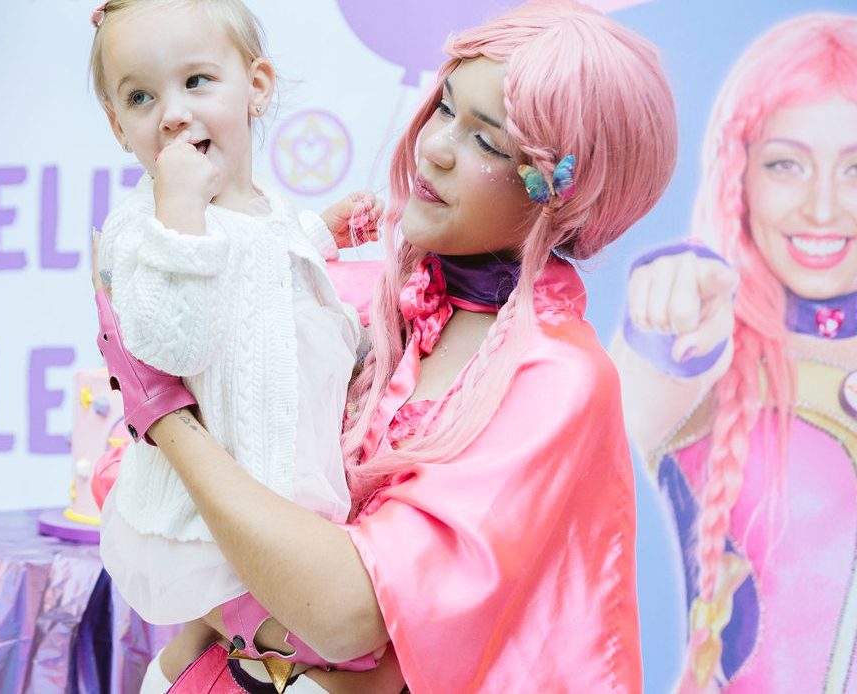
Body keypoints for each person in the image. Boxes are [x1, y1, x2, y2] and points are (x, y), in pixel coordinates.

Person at [94, 0, 677, 690]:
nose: (435, 147)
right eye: (445, 107)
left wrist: (164, 414)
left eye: (488, 143)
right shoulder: (359, 289)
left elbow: (347, 615)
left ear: (565, 195)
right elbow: (131, 484)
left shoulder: (553, 377)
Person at [86, 0, 384, 688]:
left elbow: (259, 272)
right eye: (140, 97)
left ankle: (189, 663)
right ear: (117, 125)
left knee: (288, 631)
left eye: (196, 82)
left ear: (256, 86)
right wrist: (179, 210)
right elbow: (175, 344)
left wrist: (320, 234)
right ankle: (180, 670)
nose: (172, 114)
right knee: (342, 656)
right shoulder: (144, 230)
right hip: (207, 524)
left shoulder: (266, 208)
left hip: (282, 494)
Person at [611, 14, 857, 692]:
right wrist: (668, 316)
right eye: (786, 164)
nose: (822, 208)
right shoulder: (702, 343)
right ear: (738, 174)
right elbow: (626, 403)